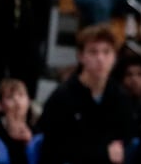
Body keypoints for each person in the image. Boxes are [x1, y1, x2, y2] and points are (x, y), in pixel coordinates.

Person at [37, 26, 131, 164]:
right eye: (93, 52)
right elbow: (54, 148)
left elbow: (127, 139)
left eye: (106, 52)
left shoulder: (120, 95)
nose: (100, 59)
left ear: (115, 57)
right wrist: (102, 153)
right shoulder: (62, 97)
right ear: (81, 56)